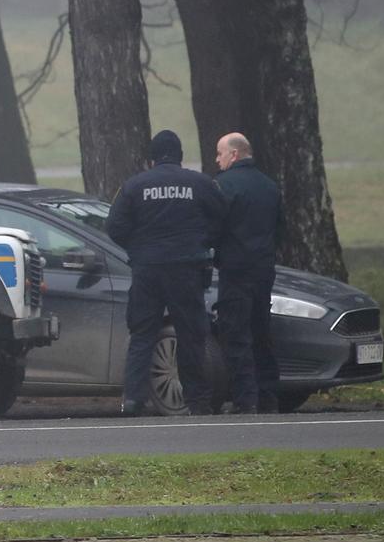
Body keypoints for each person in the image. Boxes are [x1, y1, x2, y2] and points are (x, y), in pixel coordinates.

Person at [106, 130, 224, 416]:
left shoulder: (134, 186)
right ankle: (196, 400)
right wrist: (201, 243)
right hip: (187, 268)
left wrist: (140, 248)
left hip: (147, 270)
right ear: (181, 156)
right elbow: (222, 219)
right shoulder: (201, 183)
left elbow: (115, 227)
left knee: (143, 333)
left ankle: (133, 400)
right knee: (191, 335)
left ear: (151, 159)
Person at [214, 132, 284, 414]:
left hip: (235, 271)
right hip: (264, 271)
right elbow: (281, 230)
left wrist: (216, 255)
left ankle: (245, 400)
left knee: (236, 335)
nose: (216, 159)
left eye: (219, 153)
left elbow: (214, 228)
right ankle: (269, 397)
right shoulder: (270, 187)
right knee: (261, 333)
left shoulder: (223, 186)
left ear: (234, 154)